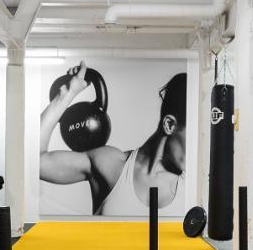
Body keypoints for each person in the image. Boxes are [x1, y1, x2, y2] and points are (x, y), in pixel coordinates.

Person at [40, 62, 187, 215]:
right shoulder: (111, 164)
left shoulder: (191, 189)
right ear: (169, 125)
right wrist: (66, 94)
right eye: (193, 140)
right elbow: (37, 162)